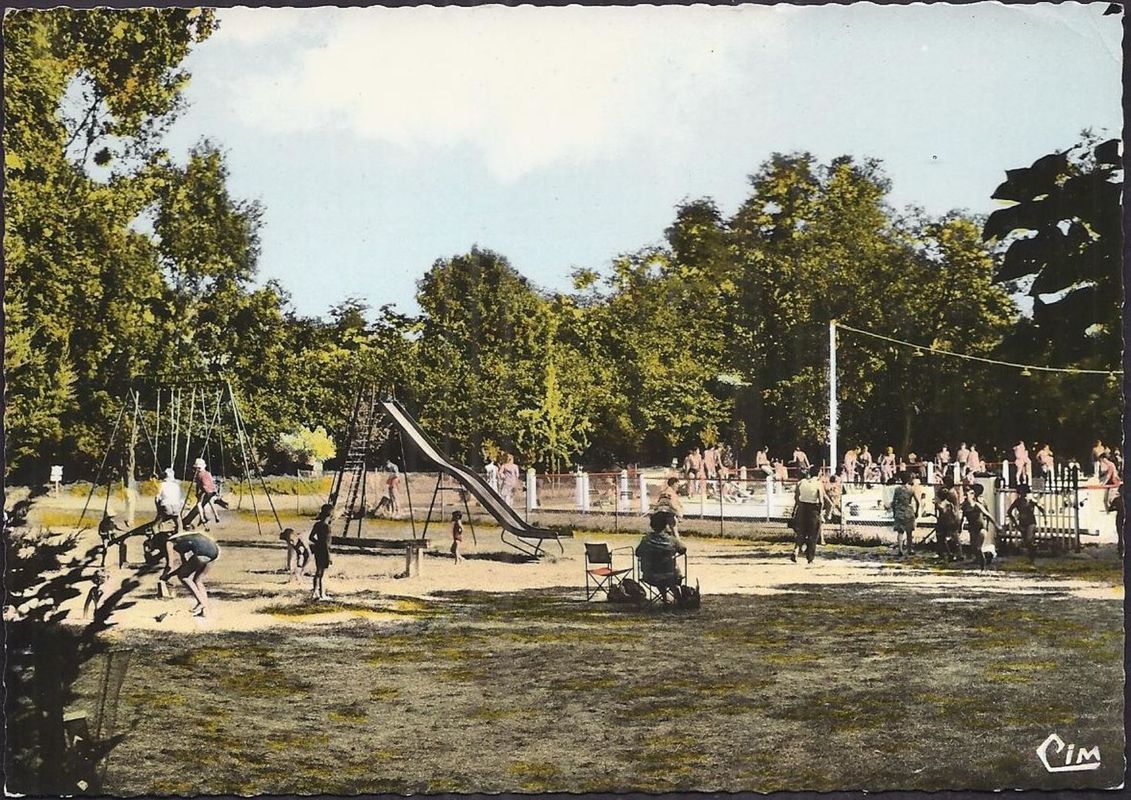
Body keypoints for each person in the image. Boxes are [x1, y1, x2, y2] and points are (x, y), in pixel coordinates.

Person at [159, 529, 221, 617]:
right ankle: (204, 611)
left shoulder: (169, 542)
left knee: (184, 577)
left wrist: (163, 576)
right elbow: (184, 566)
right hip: (215, 550)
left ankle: (201, 602)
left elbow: (169, 565)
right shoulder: (183, 539)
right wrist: (169, 576)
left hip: (202, 552)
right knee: (198, 580)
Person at [635, 510, 687, 602]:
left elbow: (638, 553)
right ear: (666, 525)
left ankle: (665, 597)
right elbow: (683, 549)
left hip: (650, 576)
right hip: (670, 576)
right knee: (670, 572)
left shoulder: (646, 540)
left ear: (651, 525)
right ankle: (678, 597)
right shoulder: (672, 540)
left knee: (659, 572)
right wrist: (674, 531)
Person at [791, 465, 830, 564]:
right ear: (818, 473)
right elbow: (821, 500)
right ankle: (810, 557)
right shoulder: (818, 484)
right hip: (813, 509)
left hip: (802, 508)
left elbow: (796, 498)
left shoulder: (801, 483)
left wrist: (794, 510)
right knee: (813, 534)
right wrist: (820, 512)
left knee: (801, 532)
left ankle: (795, 551)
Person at [962, 484, 1001, 571]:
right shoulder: (964, 506)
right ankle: (988, 555)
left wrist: (996, 525)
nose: (966, 496)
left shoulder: (977, 505)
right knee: (974, 549)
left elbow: (988, 515)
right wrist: (960, 527)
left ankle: (983, 568)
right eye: (965, 495)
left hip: (981, 528)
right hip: (972, 529)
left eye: (967, 495)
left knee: (978, 547)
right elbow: (963, 517)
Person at [1007, 484, 1045, 564]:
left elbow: (1041, 508)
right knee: (1026, 542)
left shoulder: (1030, 500)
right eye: (1021, 492)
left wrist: (1044, 518)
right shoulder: (1017, 501)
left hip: (1031, 522)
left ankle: (1033, 556)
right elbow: (1009, 512)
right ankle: (1031, 558)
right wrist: (1015, 523)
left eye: (1024, 491)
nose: (1023, 493)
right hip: (1022, 523)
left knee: (1029, 540)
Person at [182, 458, 221, 530]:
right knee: (210, 502)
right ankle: (216, 516)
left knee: (199, 504)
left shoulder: (198, 475)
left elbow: (199, 485)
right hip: (212, 491)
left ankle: (202, 518)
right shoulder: (208, 473)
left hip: (205, 490)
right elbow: (211, 482)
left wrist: (197, 493)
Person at [889, 472, 919, 557]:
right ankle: (909, 549)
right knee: (909, 532)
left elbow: (894, 502)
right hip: (909, 510)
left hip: (900, 510)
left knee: (900, 532)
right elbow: (917, 502)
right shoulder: (911, 489)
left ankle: (900, 549)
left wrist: (894, 512)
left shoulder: (897, 489)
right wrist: (917, 511)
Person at [934, 476, 963, 560]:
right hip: (953, 516)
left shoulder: (949, 493)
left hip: (950, 517)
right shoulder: (953, 491)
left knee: (949, 536)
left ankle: (952, 553)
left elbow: (942, 505)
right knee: (953, 536)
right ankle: (955, 553)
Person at [309, 503, 333, 600]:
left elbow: (311, 537)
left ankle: (315, 592)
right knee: (323, 573)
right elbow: (327, 544)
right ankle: (322, 594)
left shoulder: (317, 524)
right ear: (330, 515)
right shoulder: (327, 527)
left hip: (318, 549)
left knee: (318, 572)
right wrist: (329, 556)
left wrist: (317, 543)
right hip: (324, 550)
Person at [153, 468, 183, 535]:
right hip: (176, 507)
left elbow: (157, 498)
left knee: (155, 526)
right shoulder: (176, 486)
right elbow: (181, 500)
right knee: (179, 526)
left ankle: (157, 540)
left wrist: (158, 510)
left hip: (166, 506)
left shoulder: (162, 485)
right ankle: (179, 536)